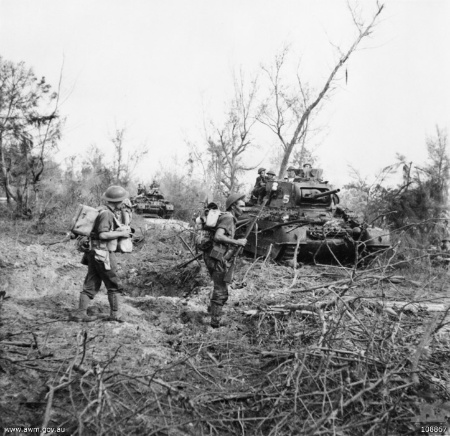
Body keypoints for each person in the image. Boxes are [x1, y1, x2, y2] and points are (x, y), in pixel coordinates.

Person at [71, 185, 131, 322]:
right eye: (123, 200)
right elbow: (103, 234)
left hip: (93, 252)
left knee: (91, 282)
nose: (124, 203)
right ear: (118, 201)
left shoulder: (100, 210)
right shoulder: (107, 214)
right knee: (113, 283)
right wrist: (122, 233)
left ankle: (80, 313)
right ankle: (115, 314)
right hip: (103, 253)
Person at [203, 193, 247, 328]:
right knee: (221, 290)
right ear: (233, 206)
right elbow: (218, 237)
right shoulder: (228, 217)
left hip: (212, 255)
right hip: (216, 257)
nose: (244, 209)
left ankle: (212, 312)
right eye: (241, 206)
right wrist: (237, 242)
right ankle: (215, 322)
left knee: (218, 285)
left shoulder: (227, 217)